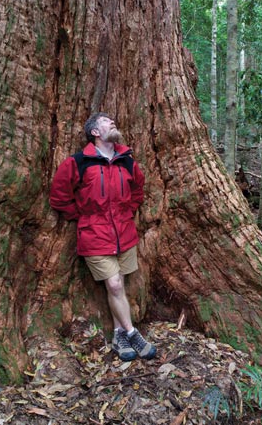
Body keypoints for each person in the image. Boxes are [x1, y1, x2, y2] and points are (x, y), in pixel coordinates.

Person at [49, 112, 156, 361]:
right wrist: (84, 217)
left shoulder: (127, 161)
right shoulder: (78, 162)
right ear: (95, 132)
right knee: (115, 284)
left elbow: (138, 189)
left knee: (118, 283)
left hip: (125, 234)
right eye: (107, 122)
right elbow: (59, 196)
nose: (113, 123)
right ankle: (132, 333)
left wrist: (128, 211)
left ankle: (119, 335)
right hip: (94, 235)